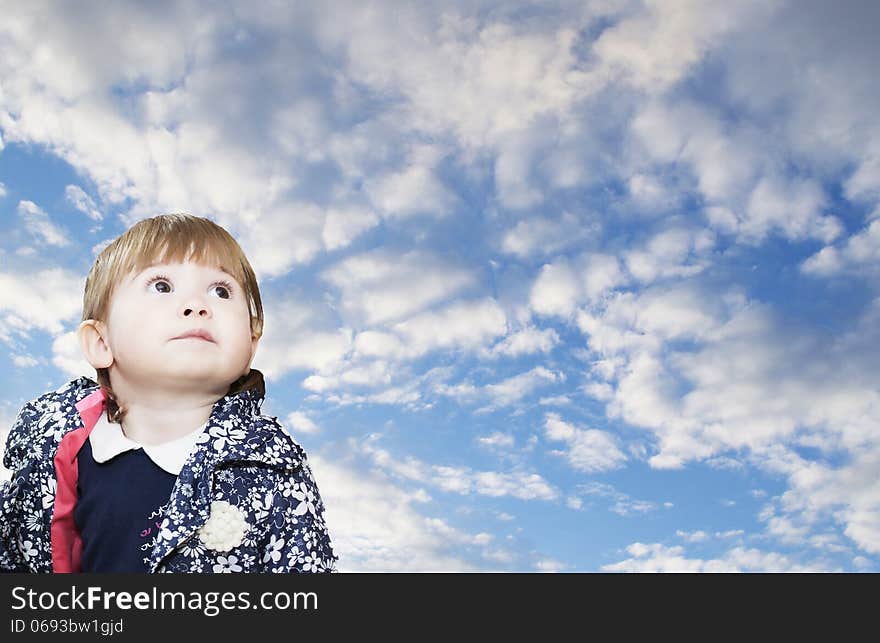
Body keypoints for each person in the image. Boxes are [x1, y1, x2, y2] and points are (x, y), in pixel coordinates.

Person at [0, 213, 338, 573]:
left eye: (221, 291)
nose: (197, 306)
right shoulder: (49, 454)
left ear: (250, 347)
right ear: (101, 342)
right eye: (161, 285)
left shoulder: (275, 469)